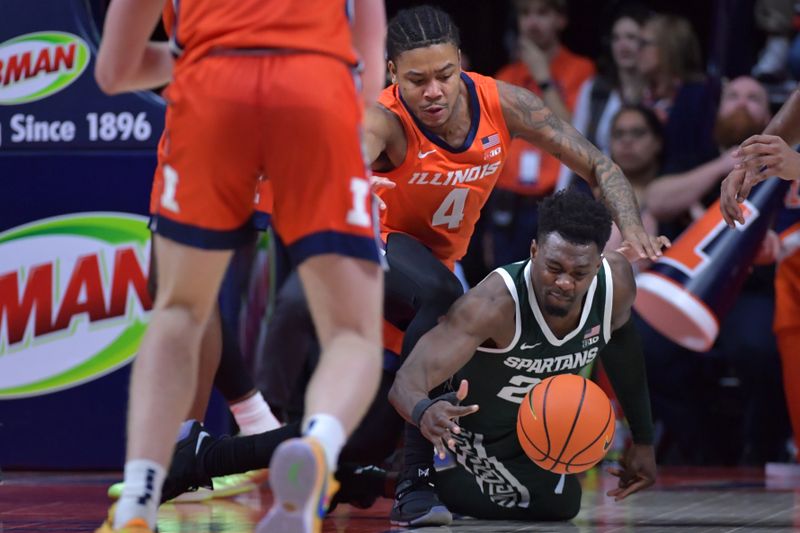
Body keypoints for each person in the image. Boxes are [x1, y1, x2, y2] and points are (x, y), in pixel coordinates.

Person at [140, 5, 665, 529]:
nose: (433, 91)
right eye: (416, 80)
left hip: (426, 278)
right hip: (376, 252)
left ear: (461, 63)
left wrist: (632, 224)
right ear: (391, 74)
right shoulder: (384, 121)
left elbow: (598, 163)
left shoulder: (503, 103)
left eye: (444, 75)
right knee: (442, 298)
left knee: (363, 430)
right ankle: (416, 484)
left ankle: (205, 458)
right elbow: (338, 161)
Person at [93, 0, 387, 531]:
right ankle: (316, 451)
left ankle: (138, 500)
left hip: (212, 86)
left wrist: (194, 57)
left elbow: (115, 71)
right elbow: (367, 82)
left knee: (178, 310)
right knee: (350, 331)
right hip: (315, 90)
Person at [387, 189, 657, 521]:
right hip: (476, 434)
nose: (564, 283)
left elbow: (621, 343)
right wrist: (425, 410)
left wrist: (643, 441)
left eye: (578, 273)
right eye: (553, 267)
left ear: (598, 264)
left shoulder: (614, 284)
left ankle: (385, 479)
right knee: (556, 506)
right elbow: (405, 383)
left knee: (563, 505)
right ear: (534, 251)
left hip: (534, 436)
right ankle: (409, 480)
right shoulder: (494, 305)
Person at [487, 0, 596, 267]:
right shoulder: (506, 74)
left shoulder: (581, 70)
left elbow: (573, 134)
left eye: (542, 13)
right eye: (525, 14)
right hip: (505, 203)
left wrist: (543, 76)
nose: (532, 22)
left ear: (561, 19)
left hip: (551, 201)